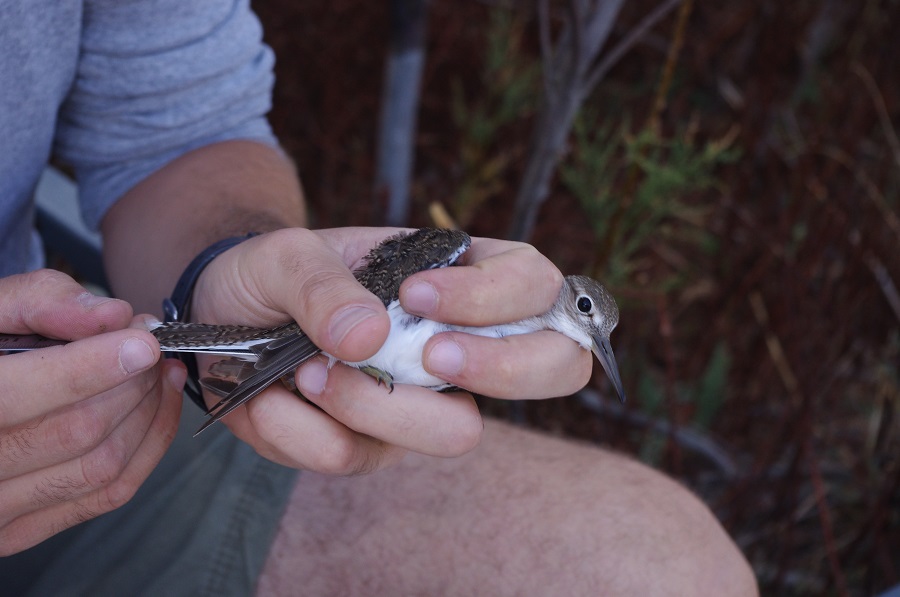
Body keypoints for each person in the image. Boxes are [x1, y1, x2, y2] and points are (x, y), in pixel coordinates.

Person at [0, 1, 758, 595]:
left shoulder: (461, 279)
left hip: (73, 404)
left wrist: (236, 269)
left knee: (673, 566)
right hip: (104, 403)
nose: (593, 343)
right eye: (591, 322)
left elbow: (175, 130)